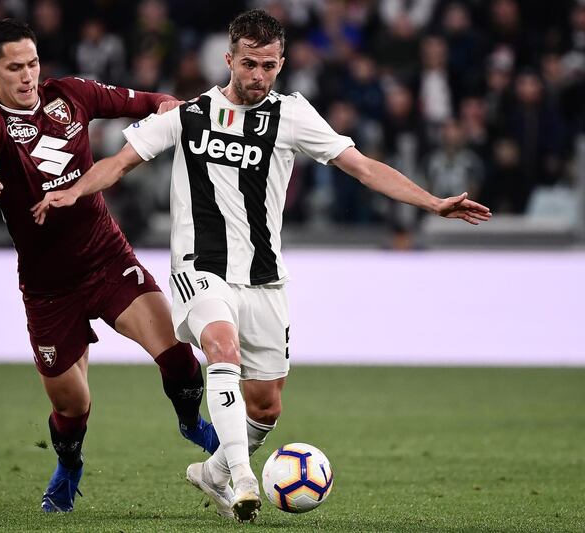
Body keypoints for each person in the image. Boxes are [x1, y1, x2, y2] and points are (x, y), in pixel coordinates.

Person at [34, 9, 492, 523]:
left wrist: (433, 203)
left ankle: (212, 471)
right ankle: (242, 478)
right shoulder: (187, 115)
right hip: (199, 267)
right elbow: (118, 163)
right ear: (229, 59)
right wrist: (73, 191)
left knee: (267, 406)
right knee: (219, 346)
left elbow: (362, 168)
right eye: (249, 64)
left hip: (265, 277)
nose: (258, 76)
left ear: (282, 63)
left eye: (269, 66)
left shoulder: (293, 114)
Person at [0, 19, 218, 514]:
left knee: (179, 356)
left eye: (32, 63)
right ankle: (70, 465)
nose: (27, 76)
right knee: (72, 407)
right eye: (14, 68)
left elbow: (141, 102)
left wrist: (172, 108)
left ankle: (190, 420)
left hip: (106, 257)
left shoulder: (72, 94)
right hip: (47, 288)